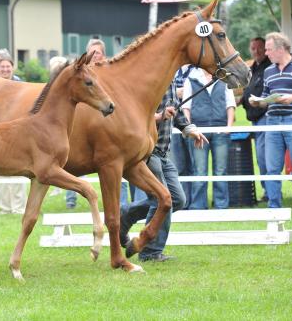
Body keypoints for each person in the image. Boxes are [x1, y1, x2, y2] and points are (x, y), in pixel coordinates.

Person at [119, 82, 207, 261]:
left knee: (178, 200)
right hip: (148, 153)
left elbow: (176, 111)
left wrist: (190, 129)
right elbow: (131, 115)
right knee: (162, 200)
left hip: (164, 153)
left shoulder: (170, 81)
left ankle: (126, 214)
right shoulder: (148, 82)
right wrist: (159, 116)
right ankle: (150, 252)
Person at [250, 32, 292, 216]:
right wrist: (259, 101)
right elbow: (265, 96)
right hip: (272, 121)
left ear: (281, 49)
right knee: (272, 167)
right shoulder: (269, 71)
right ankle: (274, 207)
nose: (267, 53)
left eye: (269, 50)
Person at [66, 39, 113, 209]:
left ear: (104, 55)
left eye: (98, 53)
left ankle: (121, 202)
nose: (95, 56)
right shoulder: (81, 77)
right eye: (92, 53)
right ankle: (71, 198)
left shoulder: (109, 76)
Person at [182, 67, 236, 210]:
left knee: (221, 170)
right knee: (199, 170)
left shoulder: (224, 77)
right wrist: (190, 128)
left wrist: (229, 127)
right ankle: (198, 206)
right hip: (198, 131)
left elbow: (230, 104)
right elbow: (186, 107)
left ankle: (221, 205)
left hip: (220, 130)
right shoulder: (191, 78)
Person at [0, 50, 27, 214]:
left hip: (18, 132)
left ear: (13, 68)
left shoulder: (21, 85)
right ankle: (5, 207)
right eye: (2, 67)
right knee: (1, 170)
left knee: (19, 169)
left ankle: (19, 207)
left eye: (8, 66)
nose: (5, 70)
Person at [241, 37, 272, 202]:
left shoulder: (269, 67)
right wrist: (241, 100)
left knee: (264, 157)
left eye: (260, 48)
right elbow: (249, 90)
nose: (256, 51)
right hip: (254, 119)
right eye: (253, 48)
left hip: (265, 117)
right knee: (261, 158)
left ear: (265, 49)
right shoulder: (253, 67)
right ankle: (269, 192)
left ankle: (270, 193)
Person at [169, 65, 196, 209]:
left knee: (192, 165)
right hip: (171, 128)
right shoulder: (174, 69)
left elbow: (177, 100)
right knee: (178, 164)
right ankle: (183, 201)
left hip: (189, 122)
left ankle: (189, 201)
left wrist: (188, 127)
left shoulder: (195, 69)